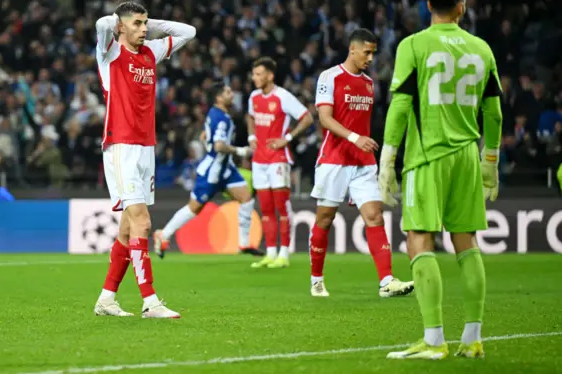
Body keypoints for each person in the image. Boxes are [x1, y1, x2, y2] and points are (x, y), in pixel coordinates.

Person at [379, 0, 502, 360]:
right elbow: (494, 113)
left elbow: (400, 106)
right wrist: (491, 162)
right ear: (461, 8)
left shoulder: (413, 45)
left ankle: (433, 342)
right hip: (467, 156)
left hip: (427, 156)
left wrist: (388, 160)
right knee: (466, 243)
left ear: (427, 6)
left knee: (419, 238)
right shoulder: (482, 49)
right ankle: (473, 338)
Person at [93, 1, 196, 318]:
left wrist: (149, 23)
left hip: (145, 147)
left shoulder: (151, 51)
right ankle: (150, 301)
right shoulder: (109, 51)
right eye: (136, 24)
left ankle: (106, 300)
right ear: (121, 27)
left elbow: (188, 31)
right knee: (142, 221)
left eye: (145, 23)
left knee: (127, 229)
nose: (143, 29)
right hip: (121, 145)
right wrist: (119, 21)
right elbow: (100, 24)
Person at [308, 28, 415, 298]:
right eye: (366, 52)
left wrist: (362, 143)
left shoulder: (369, 83)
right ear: (352, 49)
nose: (370, 58)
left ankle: (387, 281)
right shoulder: (329, 77)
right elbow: (325, 118)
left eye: (373, 53)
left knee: (374, 216)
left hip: (363, 162)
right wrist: (355, 138)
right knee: (325, 219)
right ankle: (317, 279)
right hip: (334, 160)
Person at [152, 83, 261, 258]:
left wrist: (208, 143)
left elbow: (205, 136)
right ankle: (163, 234)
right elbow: (218, 145)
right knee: (194, 208)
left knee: (246, 198)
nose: (231, 94)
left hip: (226, 169)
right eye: (227, 92)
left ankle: (244, 243)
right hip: (213, 172)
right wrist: (240, 151)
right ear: (218, 98)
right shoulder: (222, 118)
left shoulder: (215, 113)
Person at [246, 57, 314, 269]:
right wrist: (251, 137)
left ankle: (284, 253)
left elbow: (307, 118)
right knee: (265, 209)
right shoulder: (254, 97)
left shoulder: (283, 97)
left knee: (281, 207)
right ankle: (270, 253)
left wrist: (288, 138)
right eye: (254, 74)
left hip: (278, 158)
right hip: (259, 160)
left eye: (258, 74)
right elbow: (250, 117)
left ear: (270, 75)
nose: (254, 78)